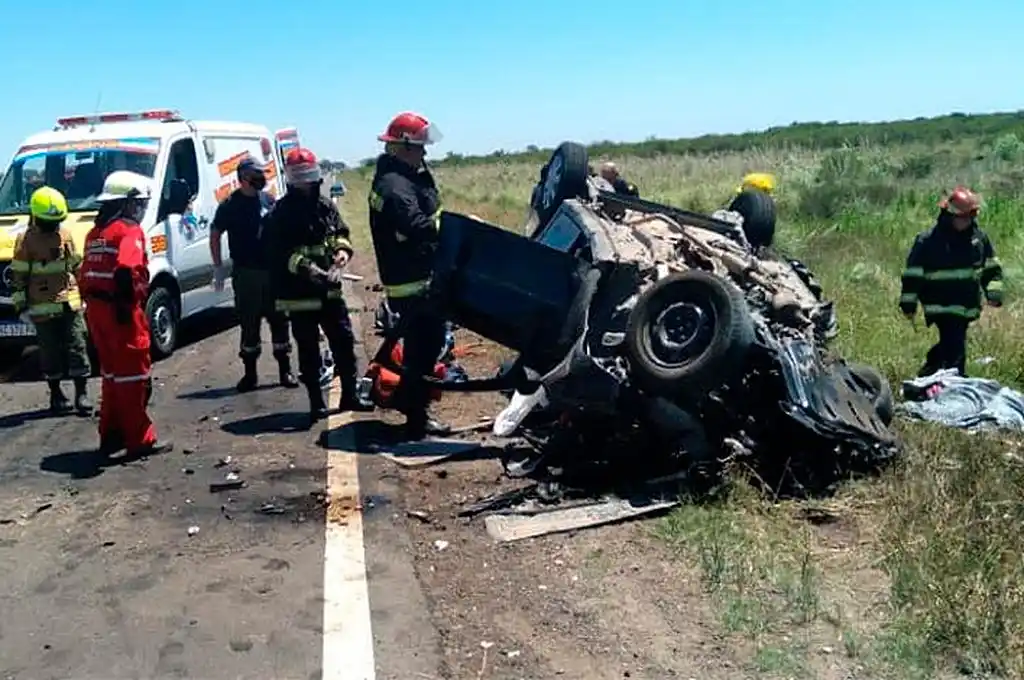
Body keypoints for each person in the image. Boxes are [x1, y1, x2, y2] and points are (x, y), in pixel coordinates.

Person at [367, 111, 452, 441]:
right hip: (412, 282)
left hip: (417, 276)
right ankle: (416, 418)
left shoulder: (404, 177)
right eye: (419, 148)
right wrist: (451, 226)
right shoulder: (394, 186)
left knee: (425, 349)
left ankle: (410, 403)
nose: (424, 154)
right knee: (422, 351)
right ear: (401, 147)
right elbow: (418, 226)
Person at [263, 147, 361, 425]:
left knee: (343, 341)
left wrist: (342, 253)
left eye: (309, 176)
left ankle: (350, 396)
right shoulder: (280, 213)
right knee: (308, 349)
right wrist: (308, 269)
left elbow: (341, 233)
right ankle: (316, 402)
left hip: (329, 290)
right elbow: (277, 252)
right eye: (301, 177)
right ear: (292, 179)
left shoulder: (326, 206)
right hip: (299, 294)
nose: (306, 182)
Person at [79, 170, 172, 457]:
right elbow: (126, 269)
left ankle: (111, 434)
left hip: (97, 313)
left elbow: (86, 275)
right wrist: (123, 307)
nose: (140, 210)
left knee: (111, 376)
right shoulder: (129, 232)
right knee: (133, 375)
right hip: (120, 313)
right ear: (126, 203)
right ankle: (139, 440)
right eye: (139, 204)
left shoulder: (95, 233)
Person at [209, 155, 297, 392]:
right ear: (243, 178)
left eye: (262, 174)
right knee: (249, 324)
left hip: (272, 272)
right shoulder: (229, 205)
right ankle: (250, 375)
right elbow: (215, 233)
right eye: (256, 175)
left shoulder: (269, 200)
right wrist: (217, 268)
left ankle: (285, 371)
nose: (261, 179)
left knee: (280, 322)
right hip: (246, 274)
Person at [900, 186, 1003, 377]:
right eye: (962, 217)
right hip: (940, 305)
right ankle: (956, 380)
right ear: (949, 214)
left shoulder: (978, 240)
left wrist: (994, 293)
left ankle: (932, 366)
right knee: (955, 346)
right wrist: (908, 303)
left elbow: (991, 269)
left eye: (970, 217)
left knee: (952, 341)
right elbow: (912, 274)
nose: (966, 221)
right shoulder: (928, 241)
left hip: (966, 305)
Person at [10, 186, 92, 414]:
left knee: (78, 345)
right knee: (49, 352)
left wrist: (86, 292)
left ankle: (82, 394)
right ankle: (56, 395)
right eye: (50, 221)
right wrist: (21, 306)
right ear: (36, 217)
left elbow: (76, 265)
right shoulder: (25, 241)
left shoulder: (64, 234)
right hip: (42, 307)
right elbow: (19, 277)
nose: (54, 226)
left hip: (69, 302)